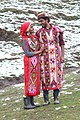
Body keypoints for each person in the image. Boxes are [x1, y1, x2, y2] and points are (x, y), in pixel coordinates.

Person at [35, 12, 65, 105]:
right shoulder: (39, 32)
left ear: (47, 20)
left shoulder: (57, 30)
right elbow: (37, 45)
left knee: (56, 76)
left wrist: (62, 55)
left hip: (56, 57)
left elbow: (62, 43)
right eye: (39, 21)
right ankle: (46, 99)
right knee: (44, 77)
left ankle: (56, 98)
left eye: (42, 21)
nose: (41, 23)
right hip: (44, 58)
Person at [20, 21, 43, 109]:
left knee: (33, 80)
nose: (33, 28)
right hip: (29, 61)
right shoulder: (24, 40)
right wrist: (39, 52)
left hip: (35, 61)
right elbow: (27, 53)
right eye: (31, 27)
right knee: (29, 80)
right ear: (27, 29)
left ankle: (31, 102)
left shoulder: (33, 38)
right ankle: (27, 103)